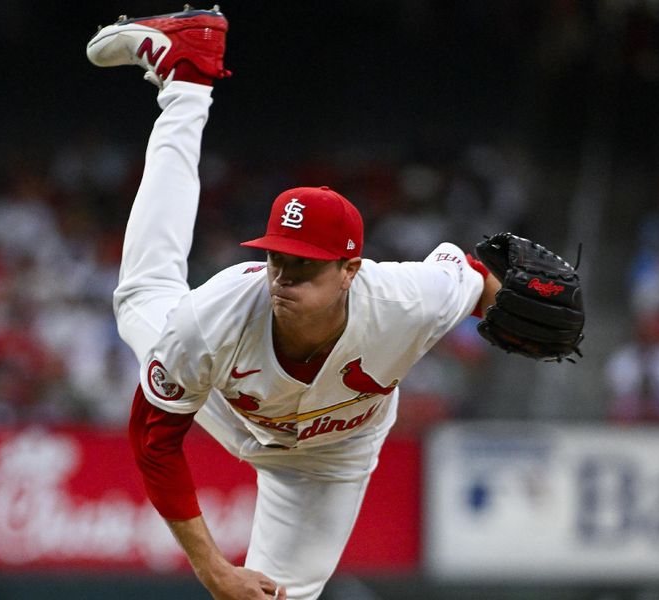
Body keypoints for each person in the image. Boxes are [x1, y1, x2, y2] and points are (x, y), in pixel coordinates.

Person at [87, 6, 499, 599]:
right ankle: (187, 80)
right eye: (278, 257)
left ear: (350, 270)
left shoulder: (407, 299)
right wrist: (213, 569)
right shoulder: (214, 318)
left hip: (329, 459)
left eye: (303, 265)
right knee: (144, 299)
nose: (282, 276)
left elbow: (479, 282)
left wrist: (510, 303)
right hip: (225, 401)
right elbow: (154, 441)